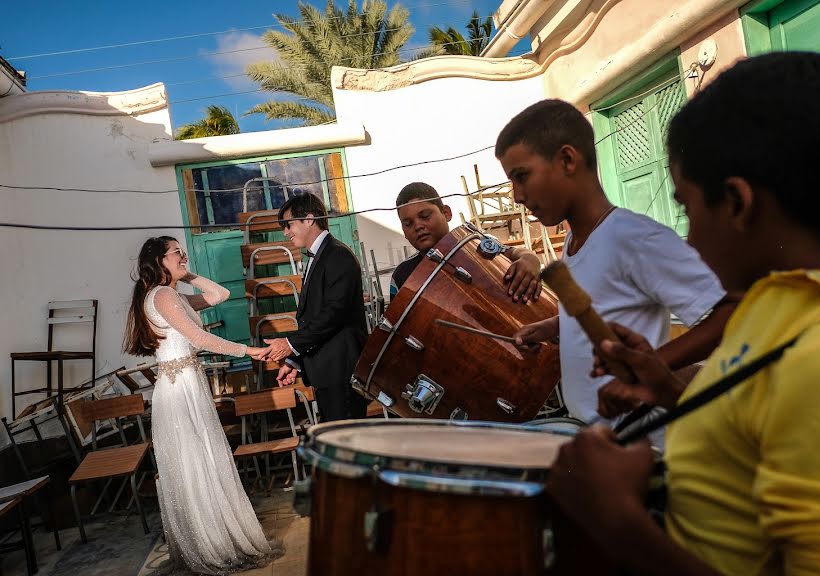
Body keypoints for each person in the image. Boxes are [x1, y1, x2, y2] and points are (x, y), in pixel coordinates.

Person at [548, 51, 820, 576]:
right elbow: (756, 415)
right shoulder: (779, 301)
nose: (688, 241)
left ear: (737, 203)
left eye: (688, 211)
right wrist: (666, 386)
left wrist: (621, 525)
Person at [499, 99, 737, 434]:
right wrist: (553, 327)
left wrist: (649, 369)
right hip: (591, 427)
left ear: (568, 160)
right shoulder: (574, 241)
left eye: (521, 176)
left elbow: (728, 316)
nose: (517, 195)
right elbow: (603, 304)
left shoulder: (634, 238)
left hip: (640, 438)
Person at [124, 236, 280, 576]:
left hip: (184, 384)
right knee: (195, 461)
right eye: (177, 252)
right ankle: (208, 544)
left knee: (203, 460)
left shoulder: (170, 293)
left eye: (183, 251)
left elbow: (220, 295)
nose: (184, 255)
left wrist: (184, 272)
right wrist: (248, 350)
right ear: (158, 260)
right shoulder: (163, 295)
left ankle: (215, 536)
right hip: (180, 390)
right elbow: (200, 338)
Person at [264, 191, 369, 422]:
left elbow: (334, 314)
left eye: (289, 224)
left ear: (309, 219)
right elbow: (313, 318)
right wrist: (295, 361)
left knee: (349, 447)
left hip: (341, 371)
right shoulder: (318, 256)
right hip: (325, 372)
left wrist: (290, 345)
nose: (286, 232)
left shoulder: (338, 255)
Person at [390, 181, 543, 303]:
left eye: (424, 216)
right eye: (408, 223)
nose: (418, 226)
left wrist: (530, 260)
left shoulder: (473, 244)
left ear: (446, 213)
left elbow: (514, 252)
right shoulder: (402, 275)